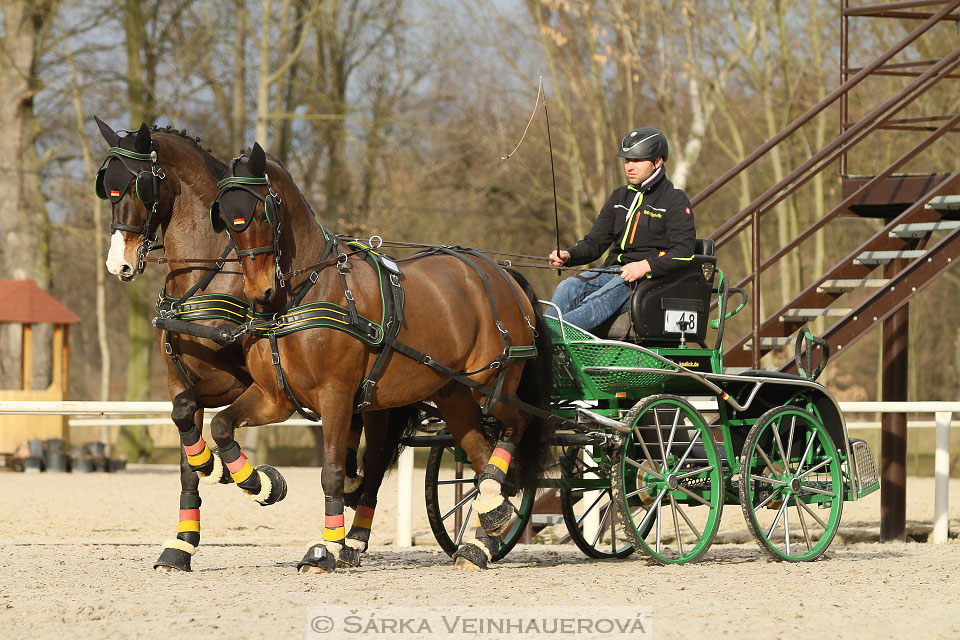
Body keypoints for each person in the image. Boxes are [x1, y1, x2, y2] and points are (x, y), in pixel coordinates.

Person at [547, 126, 696, 332]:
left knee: (597, 302)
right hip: (612, 271)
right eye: (627, 160)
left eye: (637, 160)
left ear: (657, 161)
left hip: (647, 281)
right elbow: (595, 243)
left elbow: (683, 253)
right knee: (568, 287)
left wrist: (646, 265)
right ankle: (550, 345)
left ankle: (547, 336)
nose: (629, 166)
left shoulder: (674, 200)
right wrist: (568, 255)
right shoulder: (619, 197)